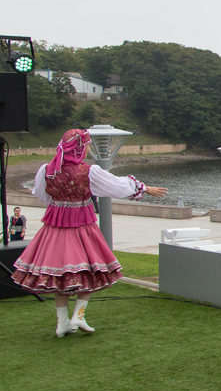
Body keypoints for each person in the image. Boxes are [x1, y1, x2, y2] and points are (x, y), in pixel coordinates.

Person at [11, 129, 168, 337]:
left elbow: (42, 194)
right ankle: (78, 315)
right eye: (85, 146)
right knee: (91, 269)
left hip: (55, 226)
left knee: (58, 274)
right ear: (79, 148)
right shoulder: (88, 171)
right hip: (82, 225)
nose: (86, 150)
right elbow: (116, 185)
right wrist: (143, 188)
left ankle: (62, 321)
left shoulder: (47, 170)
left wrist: (60, 204)